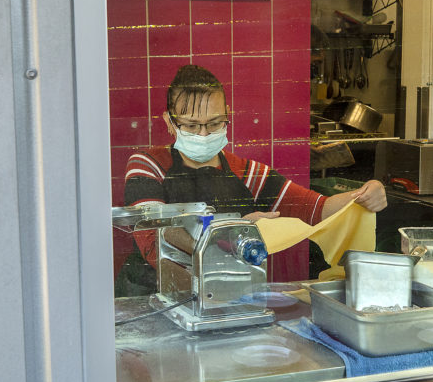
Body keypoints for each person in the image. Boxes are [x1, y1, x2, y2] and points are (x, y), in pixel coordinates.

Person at [116, 64, 386, 295]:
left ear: (227, 116)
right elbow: (155, 243)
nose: (202, 134)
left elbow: (317, 209)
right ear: (169, 121)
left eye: (214, 123)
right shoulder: (147, 165)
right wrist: (236, 230)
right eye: (190, 125)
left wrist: (363, 195)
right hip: (152, 300)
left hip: (228, 298)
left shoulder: (248, 173)